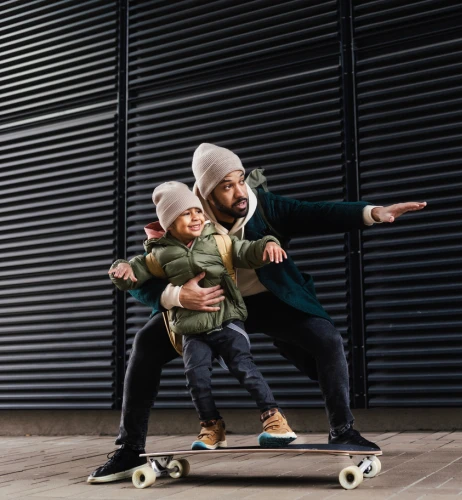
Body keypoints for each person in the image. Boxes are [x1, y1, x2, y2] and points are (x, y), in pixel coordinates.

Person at [87, 143, 426, 483]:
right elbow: (142, 274)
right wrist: (176, 295)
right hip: (209, 303)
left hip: (267, 299)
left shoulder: (262, 208)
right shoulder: (183, 217)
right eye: (227, 186)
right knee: (145, 345)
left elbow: (316, 212)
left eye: (240, 180)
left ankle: (343, 430)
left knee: (327, 340)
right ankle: (129, 450)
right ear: (206, 194)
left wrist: (371, 213)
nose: (240, 193)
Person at [109, 181, 297, 450]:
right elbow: (135, 273)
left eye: (198, 211)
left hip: (226, 319)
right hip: (191, 329)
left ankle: (274, 420)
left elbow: (246, 251)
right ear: (169, 223)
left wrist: (267, 244)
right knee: (196, 380)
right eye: (186, 214)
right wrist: (122, 269)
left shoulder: (218, 241)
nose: (196, 217)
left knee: (244, 368)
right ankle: (211, 427)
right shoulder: (158, 254)